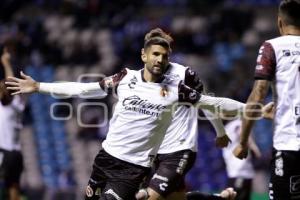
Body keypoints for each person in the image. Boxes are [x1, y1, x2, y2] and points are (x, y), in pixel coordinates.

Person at [6, 28, 246, 200]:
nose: (160, 60)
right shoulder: (124, 78)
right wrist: (39, 87)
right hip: (105, 158)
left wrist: (251, 109)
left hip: (133, 168)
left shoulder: (177, 90)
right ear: (143, 55)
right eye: (155, 54)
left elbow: (214, 102)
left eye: (164, 56)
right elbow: (83, 88)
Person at [233, 0, 300, 199]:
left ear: (280, 23)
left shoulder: (273, 47)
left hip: (290, 145)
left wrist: (243, 141)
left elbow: (259, 93)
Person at [0, 46, 25, 200]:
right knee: (13, 185)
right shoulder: (17, 104)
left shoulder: (6, 105)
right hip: (17, 154)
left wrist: (5, 63)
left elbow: (9, 84)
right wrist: (5, 63)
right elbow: (11, 84)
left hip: (5, 152)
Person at [222, 119, 261, 200]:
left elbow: (242, 133)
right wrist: (255, 149)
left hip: (238, 170)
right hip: (240, 170)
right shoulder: (236, 124)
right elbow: (243, 133)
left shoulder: (230, 125)